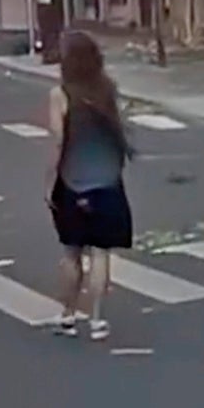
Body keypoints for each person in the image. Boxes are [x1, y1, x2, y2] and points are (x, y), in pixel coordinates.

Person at [45, 30, 136, 340]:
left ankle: (68, 316)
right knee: (100, 253)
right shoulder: (107, 90)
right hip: (108, 181)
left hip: (72, 181)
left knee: (71, 252)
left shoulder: (60, 95)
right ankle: (97, 320)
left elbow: (59, 141)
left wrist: (50, 180)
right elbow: (118, 131)